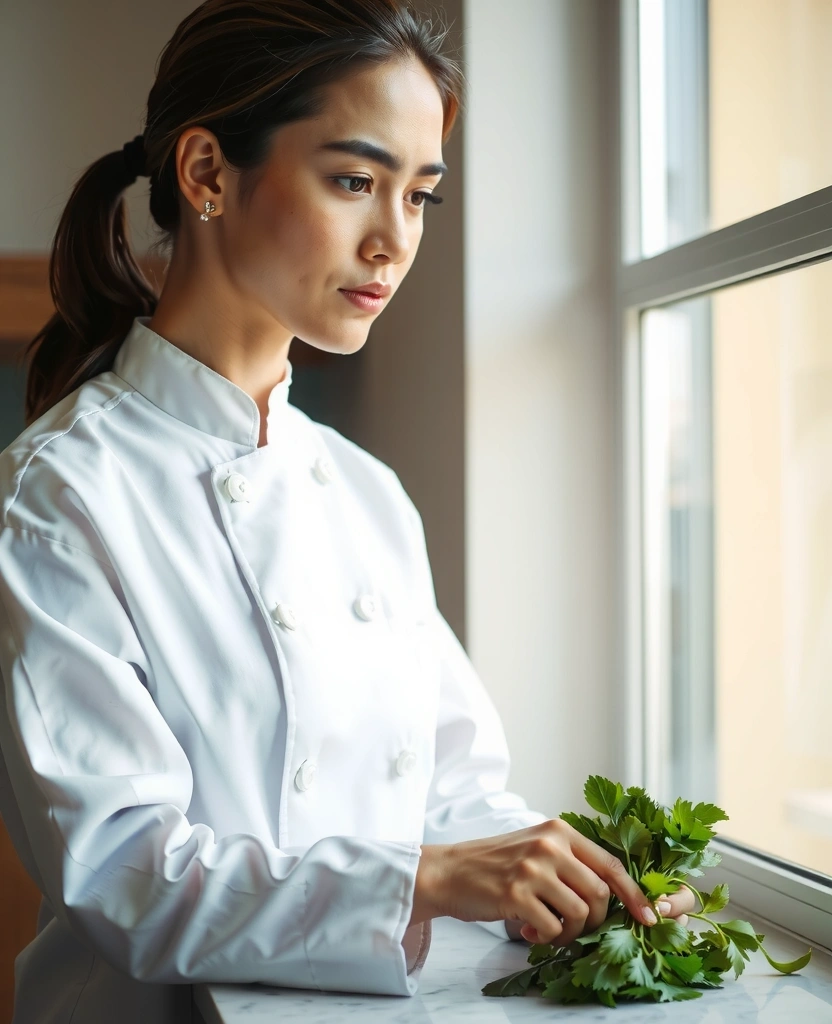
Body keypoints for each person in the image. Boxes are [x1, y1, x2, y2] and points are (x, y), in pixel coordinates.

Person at [0, 1, 694, 1021]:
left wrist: (576, 883)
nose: (393, 240)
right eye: (355, 181)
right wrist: (423, 879)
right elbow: (124, 870)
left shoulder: (366, 494)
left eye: (420, 196)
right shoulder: (57, 495)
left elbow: (455, 797)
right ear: (205, 174)